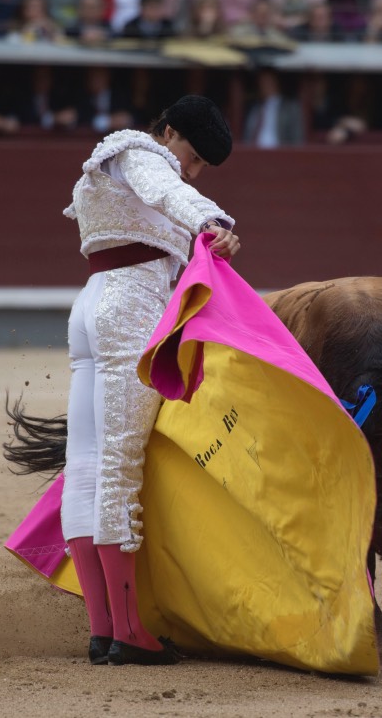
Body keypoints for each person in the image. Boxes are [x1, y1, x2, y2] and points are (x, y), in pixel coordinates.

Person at [60, 94, 239, 666]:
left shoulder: (120, 166)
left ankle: (102, 629)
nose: (193, 169)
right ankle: (129, 632)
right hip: (128, 310)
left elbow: (164, 201)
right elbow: (170, 190)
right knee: (115, 468)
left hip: (91, 306)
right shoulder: (140, 152)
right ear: (166, 131)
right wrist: (211, 220)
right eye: (191, 154)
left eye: (203, 166)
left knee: (86, 467)